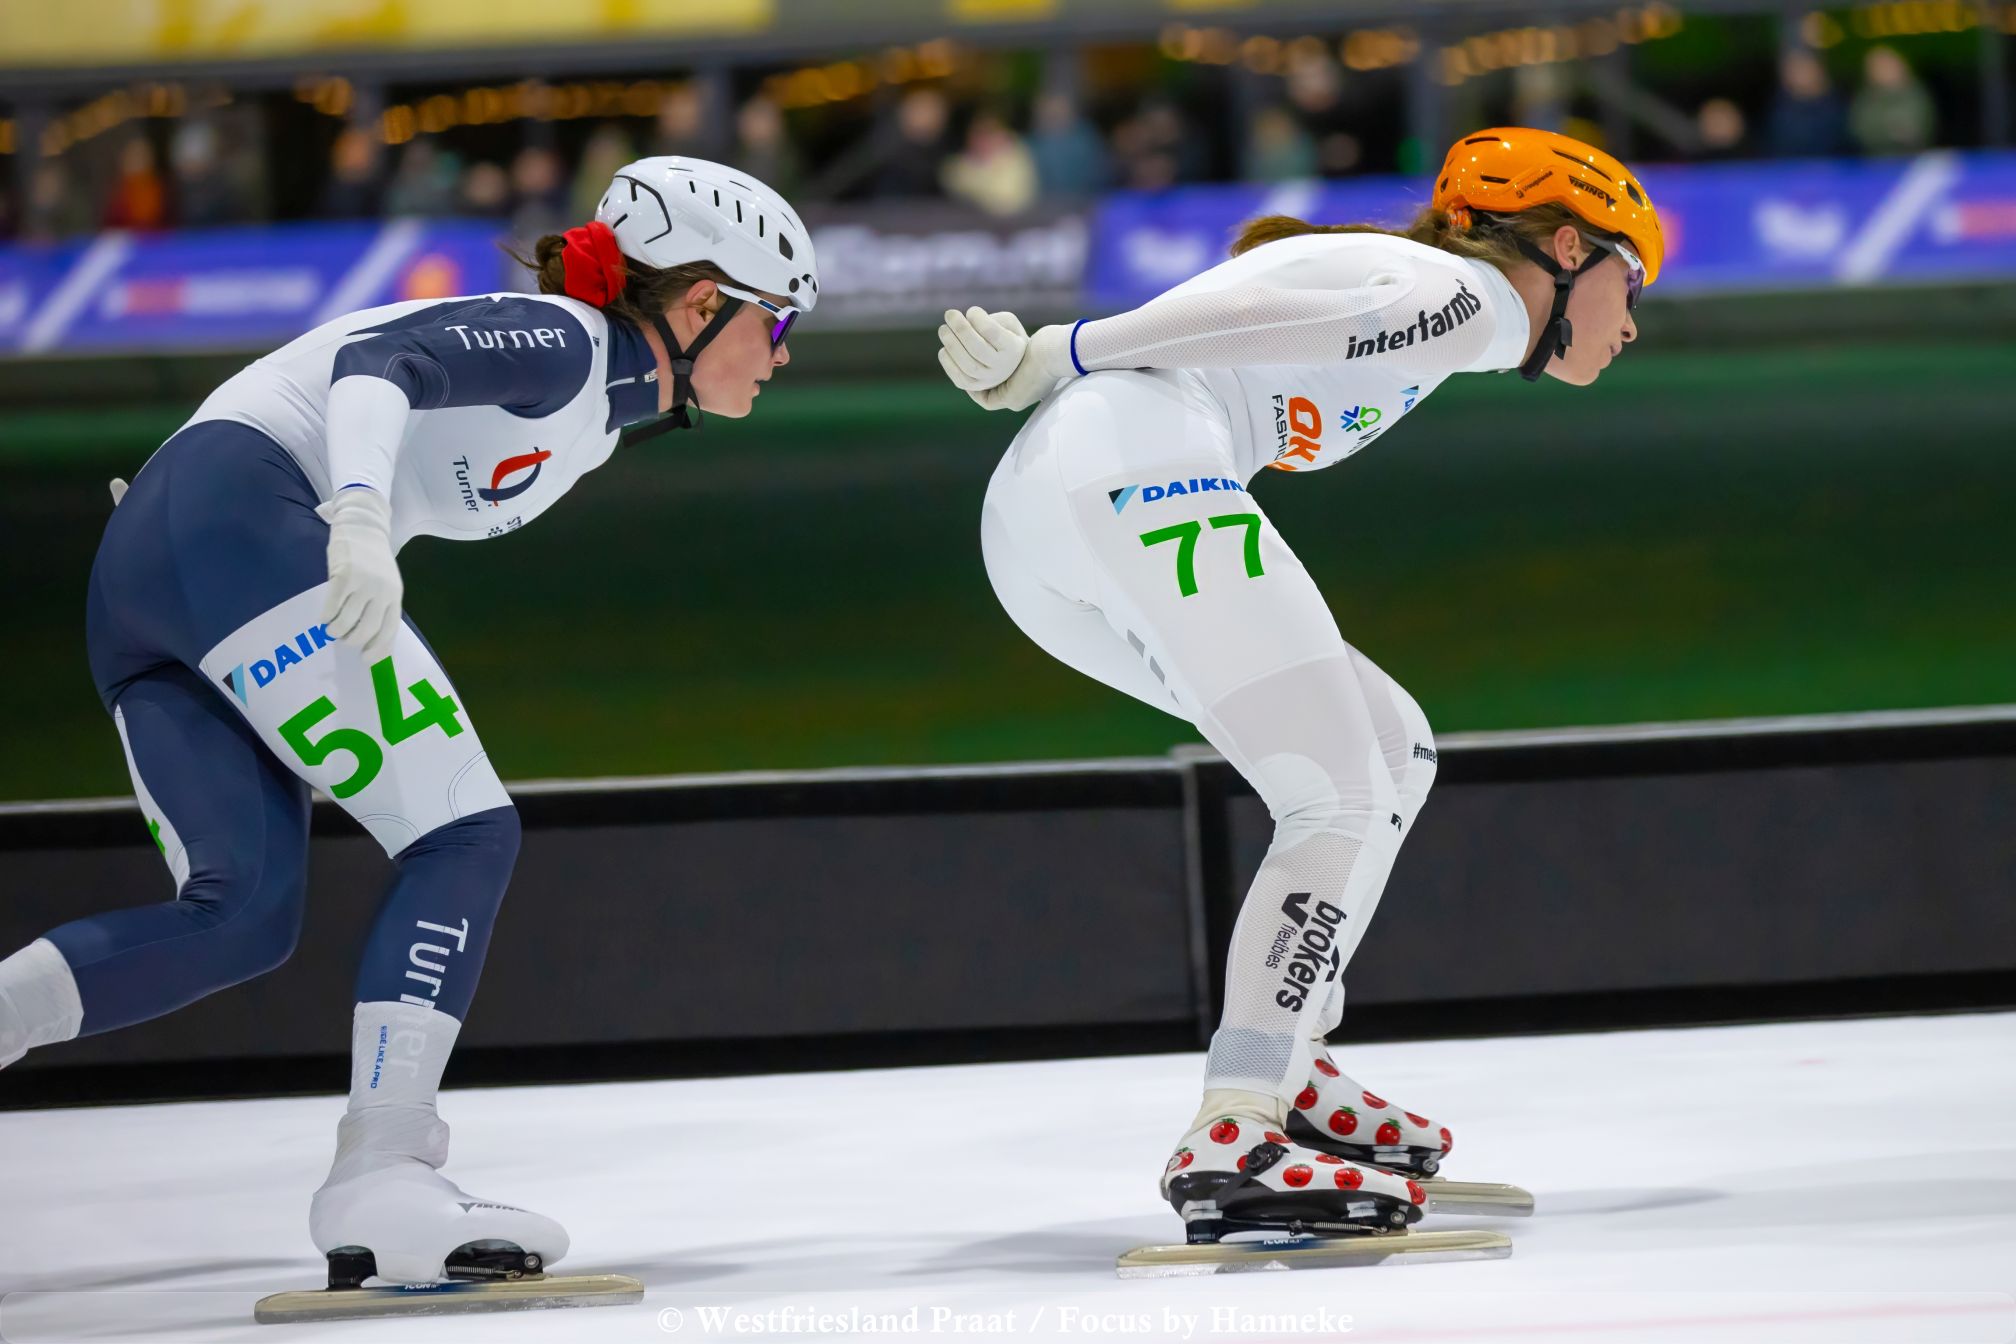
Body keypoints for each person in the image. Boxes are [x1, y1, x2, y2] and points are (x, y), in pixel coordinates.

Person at [0, 157, 814, 1290]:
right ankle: (383, 1172)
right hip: (239, 519)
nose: (783, 354)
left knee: (241, 917)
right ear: (696, 303)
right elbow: (380, 364)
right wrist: (361, 523)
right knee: (462, 833)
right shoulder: (572, 343)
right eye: (776, 322)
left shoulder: (602, 403)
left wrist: (357, 524)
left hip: (161, 560)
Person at [938, 128, 1656, 1242]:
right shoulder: (1471, 300)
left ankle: (1284, 1065)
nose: (1633, 321)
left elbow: (1293, 321)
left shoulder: (1426, 288)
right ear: (1566, 247)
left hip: (1057, 524)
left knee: (1390, 745)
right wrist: (1070, 349)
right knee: (1338, 789)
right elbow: (1281, 322)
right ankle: (1235, 1130)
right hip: (1125, 464)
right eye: (1631, 278)